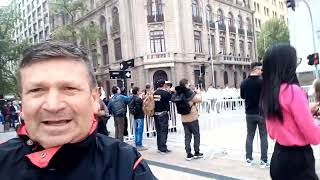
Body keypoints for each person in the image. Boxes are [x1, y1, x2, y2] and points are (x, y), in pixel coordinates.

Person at [0, 41, 156, 180]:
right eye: (37, 90)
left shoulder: (127, 165)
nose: (53, 106)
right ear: (22, 103)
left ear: (94, 98)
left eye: (69, 88)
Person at [260, 43, 320, 180]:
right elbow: (314, 137)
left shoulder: (268, 93)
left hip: (279, 158)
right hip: (299, 161)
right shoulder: (294, 91)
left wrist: (307, 113)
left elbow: (272, 133)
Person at [240, 62, 269, 168]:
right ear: (255, 69)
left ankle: (248, 159)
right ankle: (264, 160)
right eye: (260, 70)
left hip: (249, 113)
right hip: (261, 113)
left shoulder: (244, 83)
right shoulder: (263, 82)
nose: (262, 72)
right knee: (263, 136)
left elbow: (242, 96)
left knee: (250, 136)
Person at [173, 79, 203, 160]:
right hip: (192, 117)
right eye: (189, 85)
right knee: (196, 134)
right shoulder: (189, 93)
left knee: (187, 136)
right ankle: (197, 152)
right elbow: (199, 99)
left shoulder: (178, 93)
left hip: (184, 118)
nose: (190, 86)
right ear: (186, 85)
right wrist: (199, 92)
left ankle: (188, 153)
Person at [153, 79, 172, 153]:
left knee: (158, 131)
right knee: (164, 131)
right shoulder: (165, 93)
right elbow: (171, 98)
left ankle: (159, 146)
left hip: (156, 114)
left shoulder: (155, 93)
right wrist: (168, 89)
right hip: (163, 114)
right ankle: (163, 147)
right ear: (163, 85)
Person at [129, 87, 148, 151]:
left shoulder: (132, 97)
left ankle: (137, 143)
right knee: (139, 131)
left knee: (136, 130)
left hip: (135, 117)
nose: (140, 91)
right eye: (139, 90)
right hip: (139, 116)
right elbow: (138, 108)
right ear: (137, 91)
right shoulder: (138, 99)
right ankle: (139, 144)